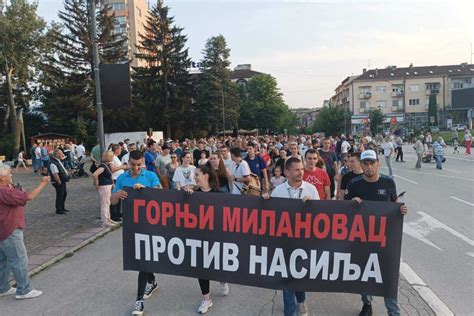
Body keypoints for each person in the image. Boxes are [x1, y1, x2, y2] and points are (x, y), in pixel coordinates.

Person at [344, 149, 408, 316]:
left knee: (388, 276)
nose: (369, 167)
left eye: (373, 163)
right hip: (362, 238)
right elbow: (343, 211)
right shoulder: (355, 184)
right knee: (364, 274)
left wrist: (401, 209)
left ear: (378, 164)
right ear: (361, 165)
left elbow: (394, 205)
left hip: (385, 239)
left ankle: (393, 312)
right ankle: (367, 303)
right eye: (366, 163)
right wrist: (352, 203)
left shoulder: (388, 182)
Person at [263, 157, 319, 316]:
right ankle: (290, 312)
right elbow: (270, 217)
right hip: (285, 243)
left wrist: (312, 206)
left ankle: (301, 301)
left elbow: (322, 217)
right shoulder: (278, 191)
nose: (300, 172)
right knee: (287, 279)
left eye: (302, 169)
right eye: (296, 169)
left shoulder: (311, 189)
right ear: (287, 172)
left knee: (299, 277)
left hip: (304, 243)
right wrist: (266, 201)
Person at [111, 150, 161, 316]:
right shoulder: (122, 178)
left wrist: (145, 190)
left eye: (139, 165)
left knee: (143, 261)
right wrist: (116, 195)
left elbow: (161, 194)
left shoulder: (150, 176)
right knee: (143, 258)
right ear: (128, 163)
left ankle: (139, 299)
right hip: (132, 225)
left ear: (143, 163)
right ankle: (152, 280)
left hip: (151, 225)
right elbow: (112, 200)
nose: (136, 168)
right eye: (133, 164)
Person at [182, 163, 230, 314]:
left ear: (206, 176)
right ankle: (206, 299)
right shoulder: (192, 194)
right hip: (199, 238)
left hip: (216, 238)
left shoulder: (220, 195)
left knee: (217, 265)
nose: (194, 178)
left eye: (197, 175)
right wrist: (186, 194)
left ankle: (222, 279)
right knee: (201, 268)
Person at [0, 165, 50, 300]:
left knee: (3, 260)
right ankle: (24, 289)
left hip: (2, 229)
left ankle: (2, 287)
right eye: (9, 174)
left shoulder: (6, 189)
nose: (11, 175)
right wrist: (43, 183)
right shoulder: (5, 191)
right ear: (2, 177)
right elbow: (29, 196)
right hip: (10, 229)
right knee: (18, 259)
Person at [92, 151, 119, 227]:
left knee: (107, 203)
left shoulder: (106, 165)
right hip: (104, 186)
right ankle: (104, 221)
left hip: (108, 185)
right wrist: (96, 183)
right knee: (105, 203)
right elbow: (95, 174)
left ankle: (108, 218)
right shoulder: (103, 166)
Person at [48, 149, 69, 215]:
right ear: (56, 154)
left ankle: (62, 207)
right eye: (60, 153)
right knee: (60, 195)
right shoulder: (53, 163)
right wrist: (59, 182)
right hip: (58, 181)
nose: (62, 154)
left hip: (62, 180)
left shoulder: (57, 161)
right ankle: (59, 209)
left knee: (64, 194)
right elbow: (55, 174)